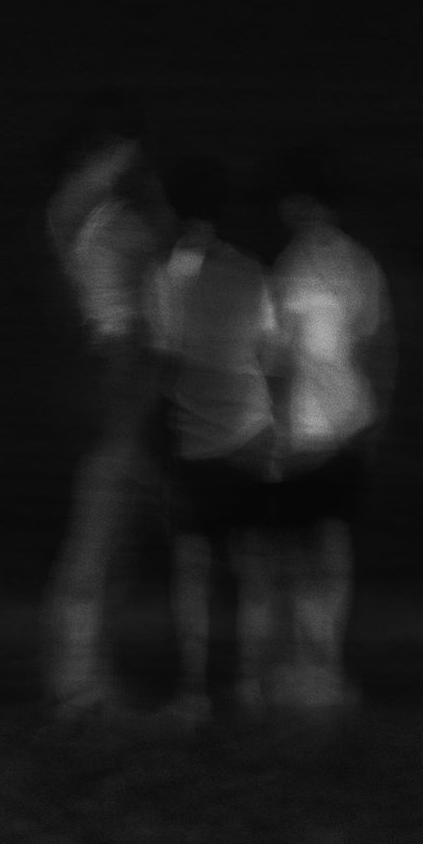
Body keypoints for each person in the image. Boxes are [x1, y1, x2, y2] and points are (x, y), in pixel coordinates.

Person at [41, 87, 177, 719]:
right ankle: (77, 680)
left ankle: (86, 673)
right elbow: (152, 273)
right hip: (118, 372)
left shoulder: (78, 209)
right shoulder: (101, 215)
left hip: (111, 372)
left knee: (111, 531)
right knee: (100, 532)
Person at [249, 143, 397, 713]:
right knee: (329, 546)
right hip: (349, 425)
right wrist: (376, 421)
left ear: (299, 203)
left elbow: (275, 359)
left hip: (304, 432)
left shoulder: (292, 268)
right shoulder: (360, 264)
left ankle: (299, 666)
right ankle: (321, 661)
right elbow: (378, 348)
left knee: (294, 547)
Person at [150, 154, 281, 726]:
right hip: (251, 434)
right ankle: (249, 685)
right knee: (252, 569)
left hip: (193, 440)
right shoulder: (251, 270)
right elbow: (271, 352)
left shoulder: (166, 274)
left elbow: (164, 357)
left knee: (192, 570)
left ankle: (193, 692)